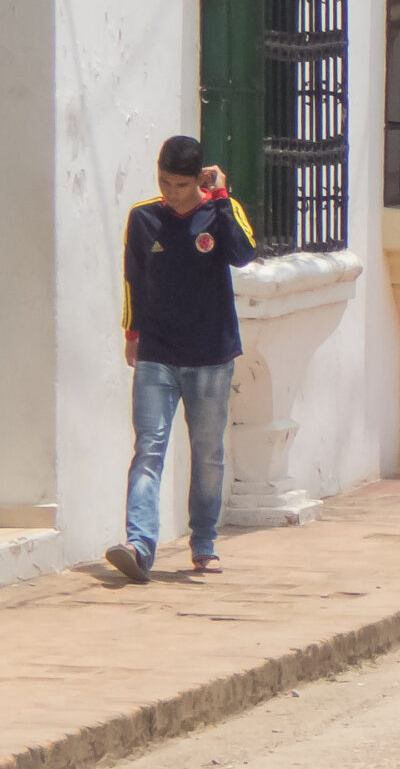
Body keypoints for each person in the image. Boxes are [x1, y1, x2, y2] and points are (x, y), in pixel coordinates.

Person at [106, 136, 258, 584]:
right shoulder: (143, 217)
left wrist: (223, 198)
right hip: (157, 353)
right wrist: (132, 333)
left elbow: (245, 253)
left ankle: (204, 543)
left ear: (199, 179)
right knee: (148, 448)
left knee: (207, 453)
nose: (171, 191)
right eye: (164, 181)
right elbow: (133, 277)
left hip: (211, 357)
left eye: (180, 184)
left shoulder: (220, 210)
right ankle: (139, 545)